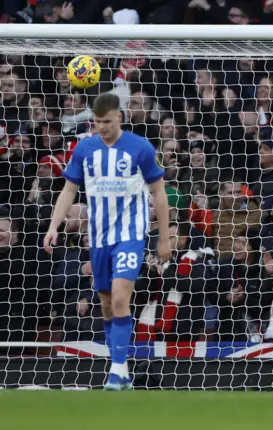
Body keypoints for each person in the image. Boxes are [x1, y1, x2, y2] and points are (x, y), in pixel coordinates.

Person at [43, 92, 171, 391]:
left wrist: (163, 238)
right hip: (99, 237)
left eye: (107, 122)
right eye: (98, 122)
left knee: (118, 297)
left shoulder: (139, 147)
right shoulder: (85, 149)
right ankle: (122, 371)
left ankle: (116, 371)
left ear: (120, 118)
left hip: (130, 234)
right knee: (106, 306)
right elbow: (68, 190)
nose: (102, 127)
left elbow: (159, 192)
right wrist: (54, 225)